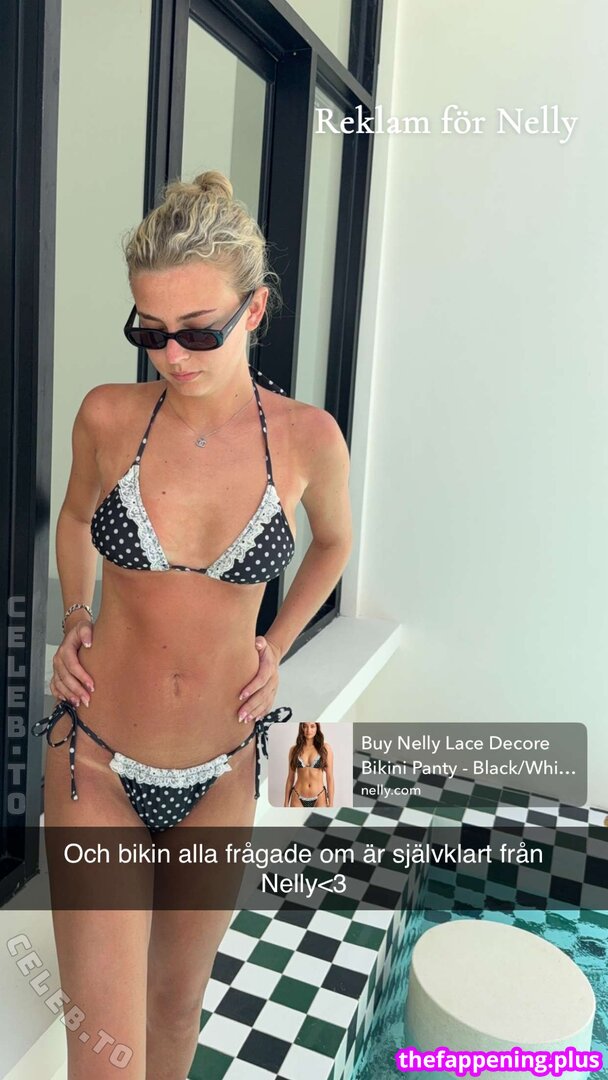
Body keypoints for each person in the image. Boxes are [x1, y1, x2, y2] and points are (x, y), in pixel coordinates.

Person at [31, 170, 352, 1080]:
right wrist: (76, 613)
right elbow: (73, 518)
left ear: (256, 310)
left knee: (175, 1014)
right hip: (95, 761)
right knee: (106, 1057)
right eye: (150, 331)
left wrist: (276, 644)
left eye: (198, 331)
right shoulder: (109, 416)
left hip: (223, 768)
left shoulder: (308, 439)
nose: (172, 355)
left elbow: (333, 544)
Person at [284, 721, 334, 807]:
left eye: (312, 726)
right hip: (297, 796)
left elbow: (329, 777)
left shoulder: (325, 748)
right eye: (305, 726)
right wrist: (285, 803)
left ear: (317, 728)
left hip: (320, 796)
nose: (308, 730)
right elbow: (290, 778)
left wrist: (331, 803)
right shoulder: (294, 750)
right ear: (301, 728)